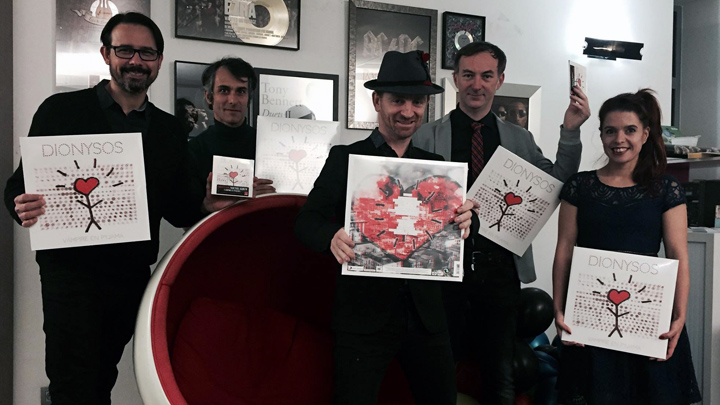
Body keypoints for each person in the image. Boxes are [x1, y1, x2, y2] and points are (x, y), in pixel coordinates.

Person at [3, 13, 230, 404]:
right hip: (70, 273)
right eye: (125, 50)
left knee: (102, 377)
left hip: (129, 275)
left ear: (159, 60)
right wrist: (20, 205)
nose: (135, 61)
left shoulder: (169, 131)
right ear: (106, 54)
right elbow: (18, 186)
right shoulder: (61, 110)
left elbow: (178, 208)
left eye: (146, 53)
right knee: (70, 382)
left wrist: (206, 203)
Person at [414, 41, 591, 404]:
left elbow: (557, 183)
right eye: (468, 75)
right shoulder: (427, 135)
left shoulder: (519, 139)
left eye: (486, 76)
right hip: (440, 271)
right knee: (437, 373)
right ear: (455, 79)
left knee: (500, 376)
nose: (476, 84)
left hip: (500, 272)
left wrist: (570, 130)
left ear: (500, 80)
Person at [295, 50, 475, 404]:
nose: (408, 111)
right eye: (398, 100)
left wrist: (469, 220)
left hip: (426, 318)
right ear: (377, 101)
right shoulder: (345, 158)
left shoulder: (437, 166)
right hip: (363, 318)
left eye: (417, 102)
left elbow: (456, 235)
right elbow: (306, 221)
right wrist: (331, 237)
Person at [552, 89, 701, 404]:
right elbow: (564, 250)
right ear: (601, 135)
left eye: (629, 130)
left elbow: (678, 256)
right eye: (610, 130)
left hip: (650, 318)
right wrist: (559, 308)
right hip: (590, 317)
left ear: (645, 134)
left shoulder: (666, 189)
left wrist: (679, 316)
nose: (619, 139)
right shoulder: (579, 186)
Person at [187, 57, 275, 201]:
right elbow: (183, 212)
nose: (233, 100)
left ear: (249, 98)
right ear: (209, 97)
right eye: (224, 90)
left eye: (241, 91)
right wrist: (206, 206)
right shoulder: (193, 151)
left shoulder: (270, 148)